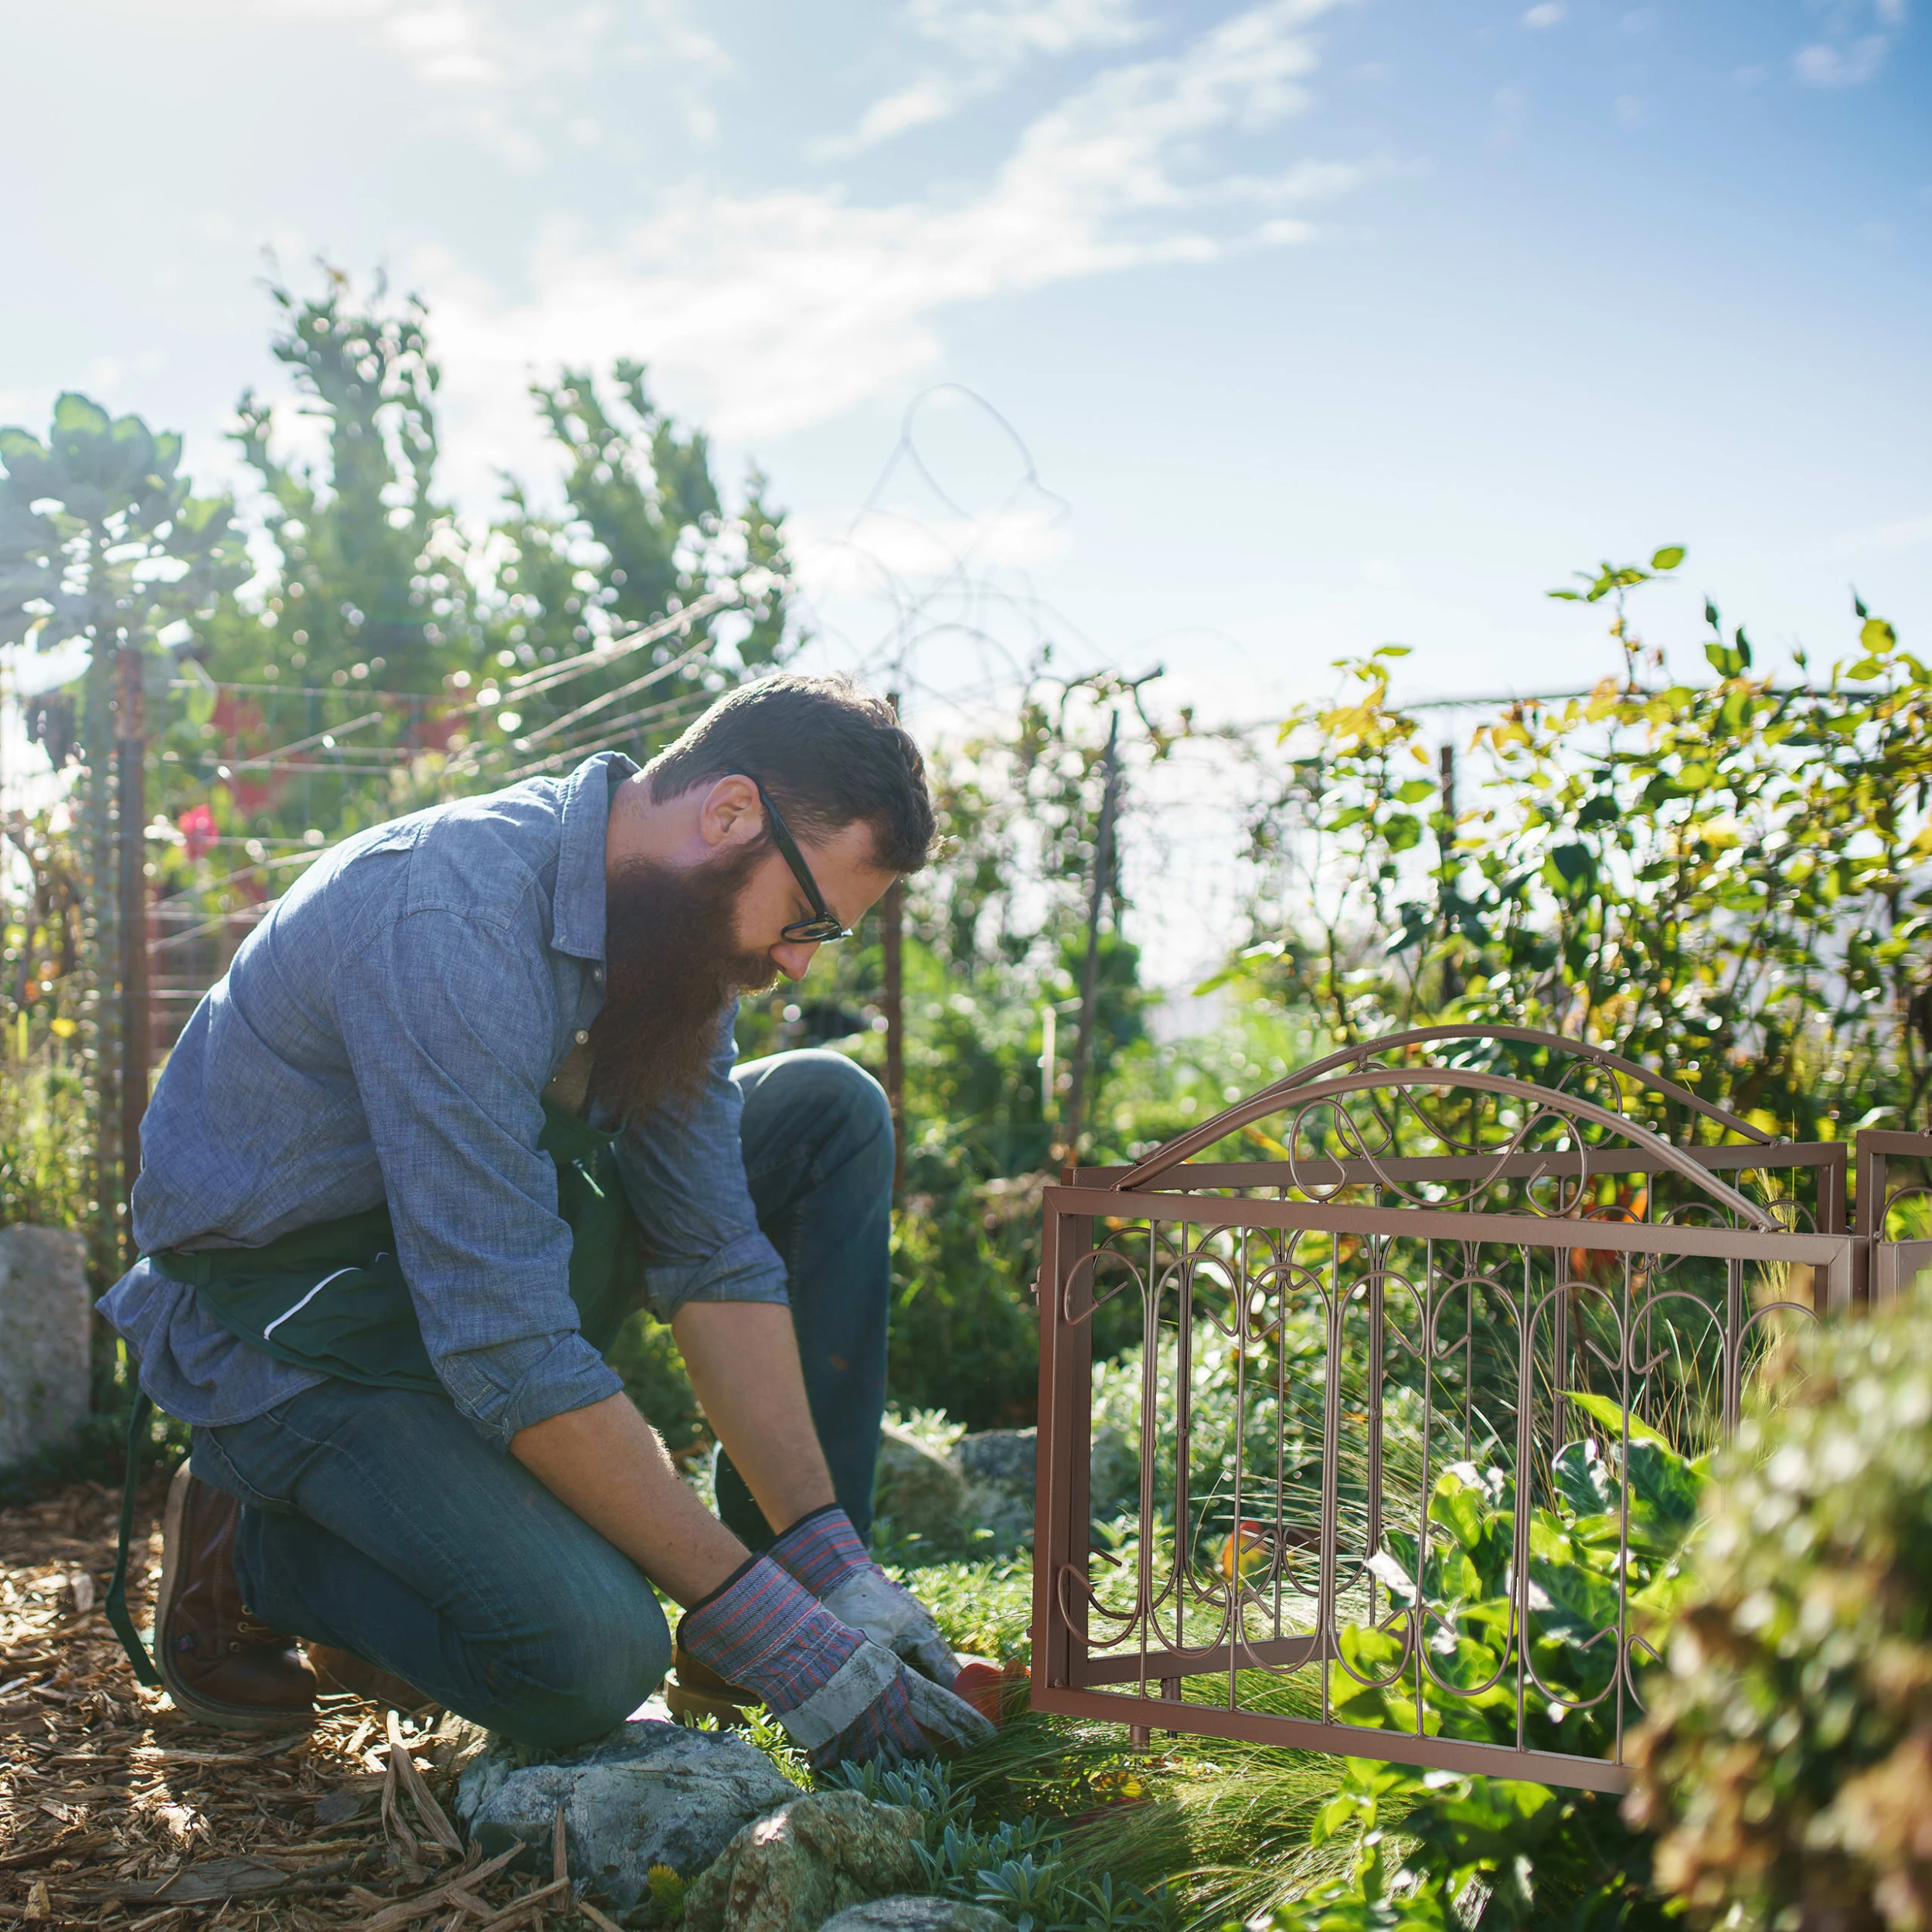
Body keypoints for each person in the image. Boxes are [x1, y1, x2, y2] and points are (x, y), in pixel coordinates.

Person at [97, 673, 992, 1768]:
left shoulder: (678, 935)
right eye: (808, 920)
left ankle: (788, 1609)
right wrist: (775, 1638)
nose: (800, 962)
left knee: (826, 1112)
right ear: (729, 815)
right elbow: (506, 1340)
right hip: (294, 1321)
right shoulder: (449, 917)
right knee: (592, 1659)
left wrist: (828, 1564)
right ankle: (258, 1553)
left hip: (472, 1263)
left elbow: (709, 1246)